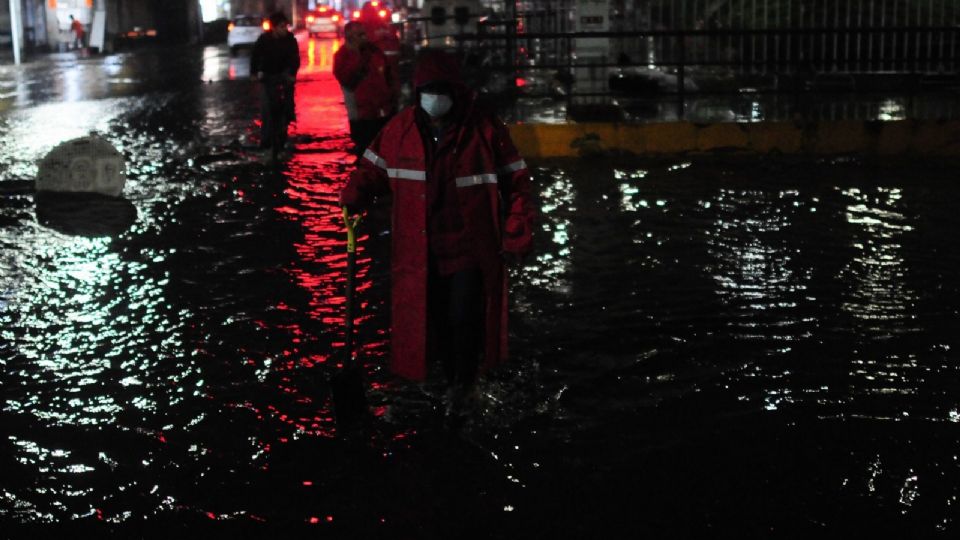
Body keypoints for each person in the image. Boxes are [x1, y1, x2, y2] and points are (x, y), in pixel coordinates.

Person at [340, 49, 535, 423]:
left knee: (464, 319)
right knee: (437, 323)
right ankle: (450, 387)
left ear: (456, 91)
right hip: (420, 255)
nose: (434, 96)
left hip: (468, 250)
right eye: (427, 89)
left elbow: (517, 182)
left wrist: (516, 231)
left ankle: (463, 388)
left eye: (440, 88)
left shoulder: (484, 130)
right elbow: (372, 170)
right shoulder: (399, 131)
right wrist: (355, 194)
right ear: (417, 92)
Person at [333, 21, 397, 157]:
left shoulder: (374, 52)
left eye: (364, 33)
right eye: (360, 35)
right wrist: (358, 57)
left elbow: (388, 74)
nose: (365, 37)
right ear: (350, 37)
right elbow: (347, 80)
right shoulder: (342, 56)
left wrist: (391, 96)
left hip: (382, 111)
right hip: (361, 115)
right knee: (365, 151)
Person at [251, 12, 300, 154]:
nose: (284, 29)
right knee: (267, 108)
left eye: (286, 26)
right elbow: (255, 56)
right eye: (281, 27)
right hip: (268, 75)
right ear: (274, 28)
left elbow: (295, 59)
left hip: (285, 75)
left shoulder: (290, 39)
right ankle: (266, 140)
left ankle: (283, 134)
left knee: (287, 107)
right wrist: (254, 73)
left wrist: (291, 74)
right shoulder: (264, 39)